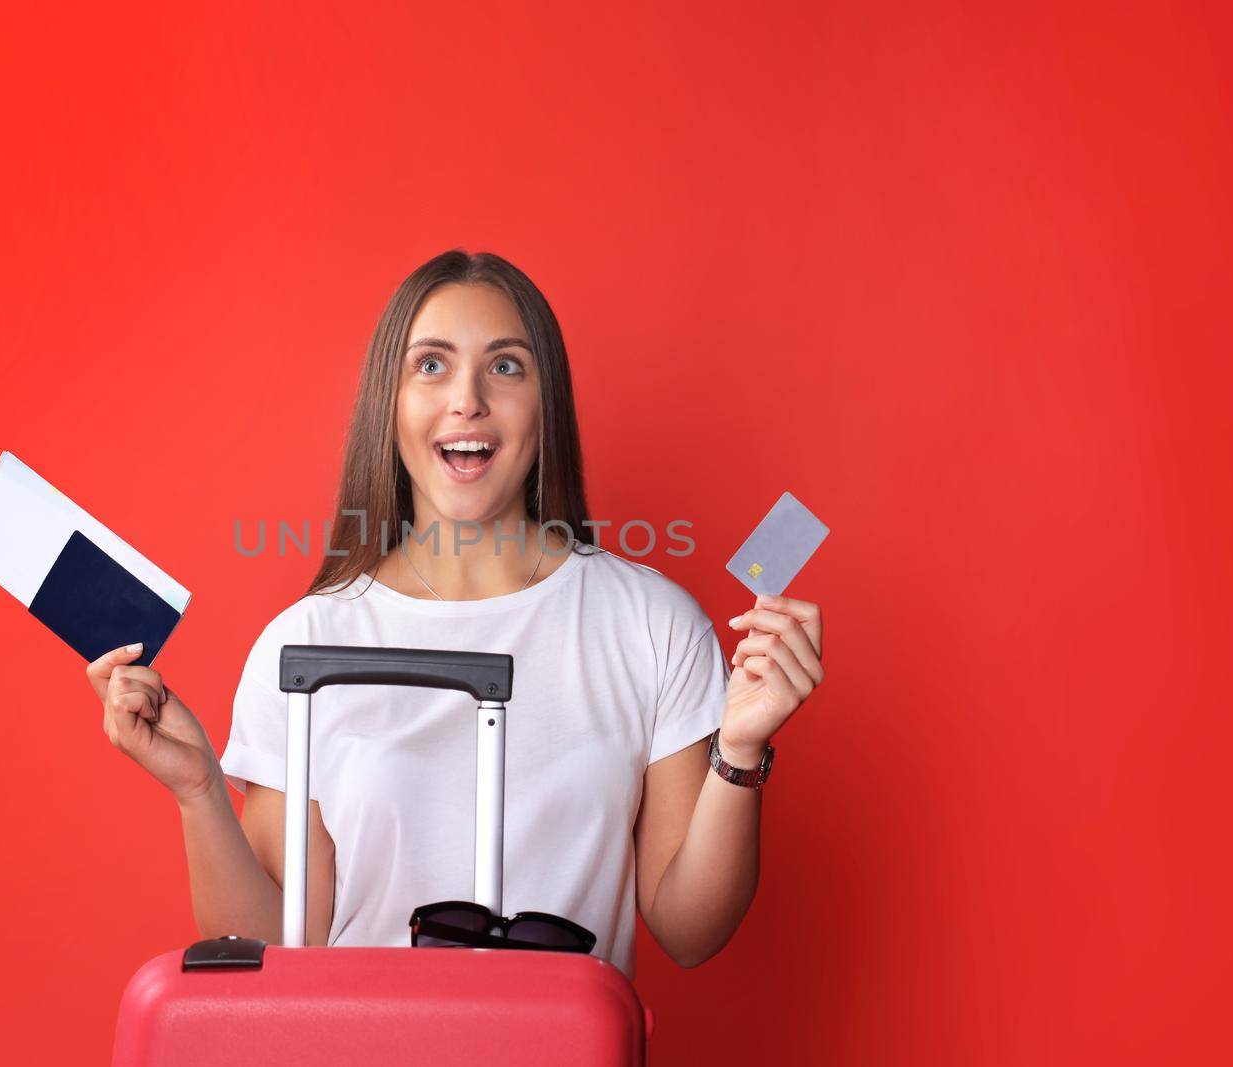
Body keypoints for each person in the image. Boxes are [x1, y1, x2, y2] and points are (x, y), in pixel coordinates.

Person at [84, 249, 826, 979]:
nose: (466, 398)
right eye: (430, 365)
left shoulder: (652, 625)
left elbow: (691, 929)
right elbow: (282, 942)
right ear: (392, 404)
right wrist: (198, 790)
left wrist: (741, 750)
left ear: (547, 404)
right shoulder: (306, 641)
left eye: (505, 367)